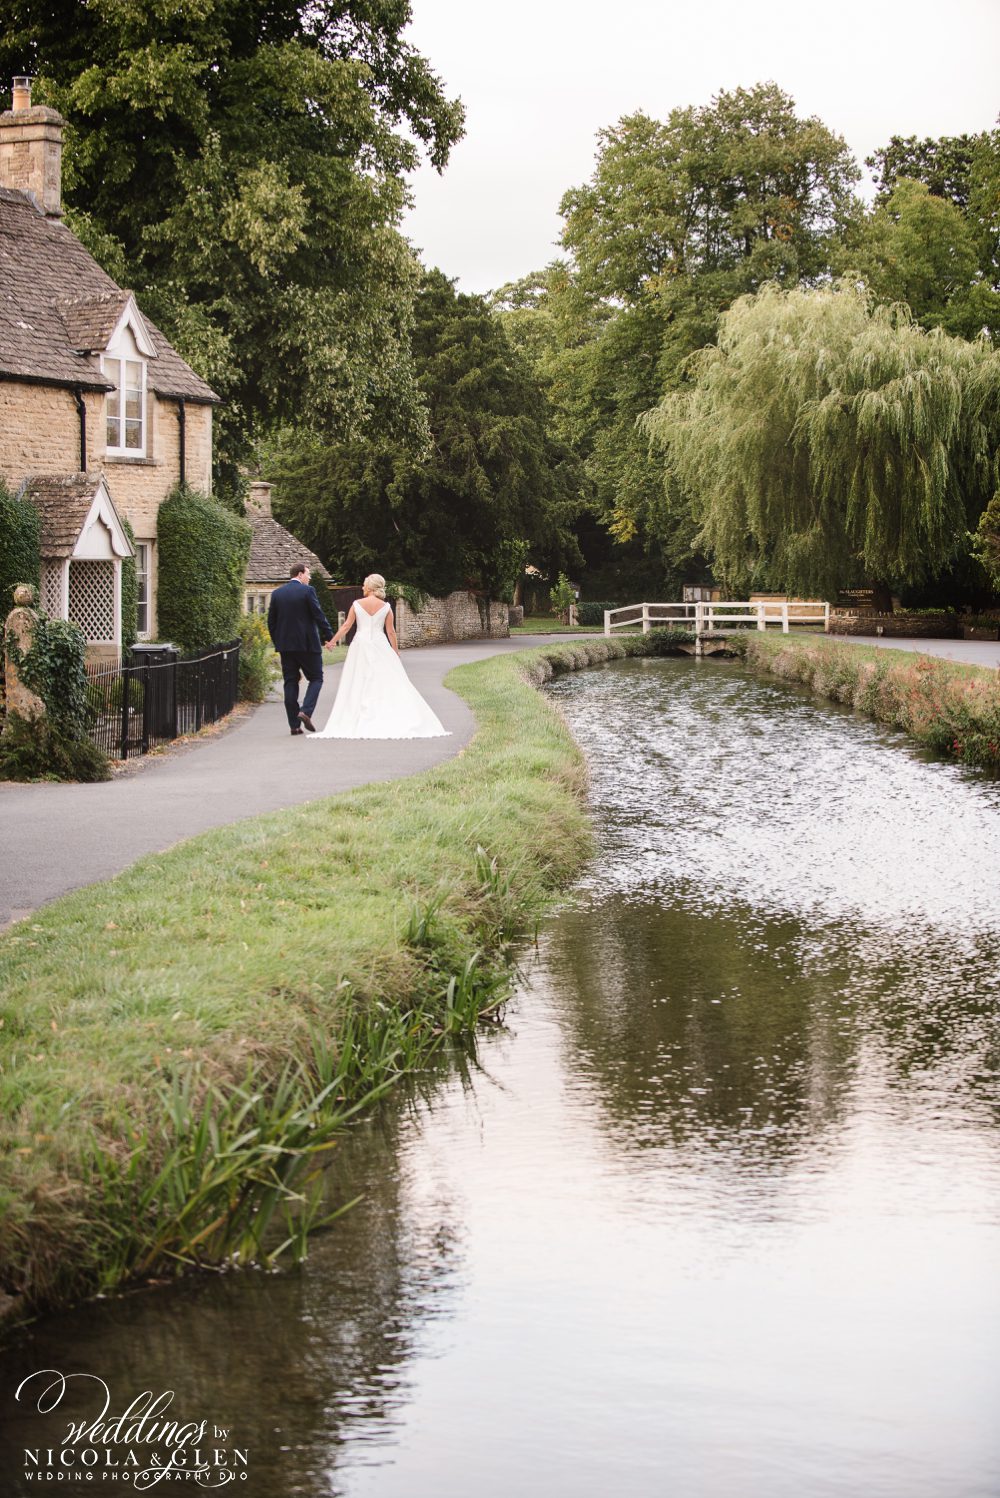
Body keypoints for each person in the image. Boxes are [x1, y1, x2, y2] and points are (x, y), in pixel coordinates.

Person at [311, 573, 449, 739]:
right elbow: (391, 632)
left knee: (359, 680)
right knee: (383, 679)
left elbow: (347, 626)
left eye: (364, 584)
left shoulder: (356, 604)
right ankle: (382, 712)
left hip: (360, 645)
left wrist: (332, 641)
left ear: (370, 587)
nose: (362, 587)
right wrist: (395, 652)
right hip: (380, 644)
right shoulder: (386, 607)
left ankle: (359, 714)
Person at [266, 563, 334, 736]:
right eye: (308, 574)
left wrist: (278, 642)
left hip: (286, 647)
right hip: (307, 645)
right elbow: (318, 615)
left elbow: (271, 623)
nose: (309, 577)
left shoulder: (277, 594)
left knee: (290, 682)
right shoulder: (307, 591)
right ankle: (306, 711)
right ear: (300, 574)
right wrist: (329, 636)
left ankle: (294, 726)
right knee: (316, 678)